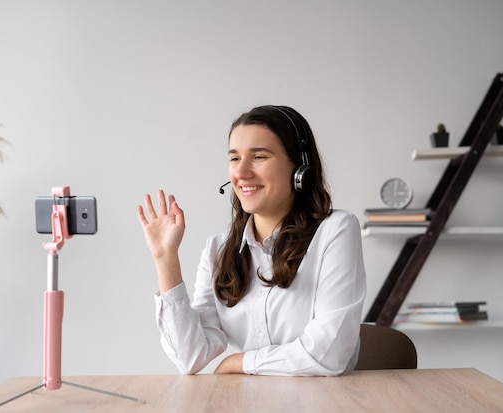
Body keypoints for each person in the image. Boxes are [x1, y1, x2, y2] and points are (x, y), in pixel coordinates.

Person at [137, 105, 366, 376]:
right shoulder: (218, 250)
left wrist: (242, 362)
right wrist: (166, 259)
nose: (242, 172)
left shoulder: (335, 231)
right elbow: (190, 357)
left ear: (299, 168)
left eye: (258, 157)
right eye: (234, 159)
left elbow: (330, 352)